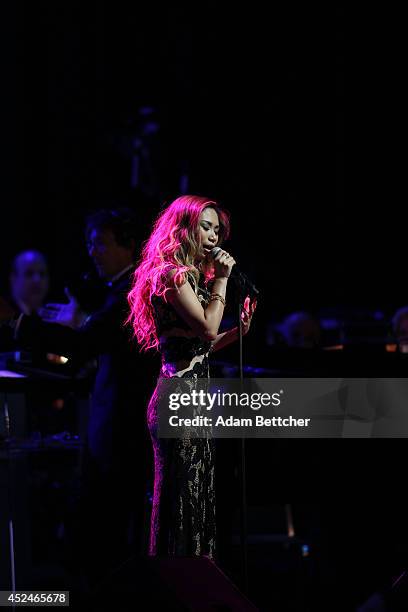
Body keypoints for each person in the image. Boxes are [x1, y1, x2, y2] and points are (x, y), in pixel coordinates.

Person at [11, 208, 155, 588]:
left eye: (101, 243)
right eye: (90, 243)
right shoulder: (120, 293)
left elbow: (84, 345)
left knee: (106, 531)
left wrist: (19, 324)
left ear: (128, 246)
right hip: (113, 428)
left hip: (121, 432)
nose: (92, 251)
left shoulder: (129, 296)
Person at [127, 195, 257, 559]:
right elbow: (205, 326)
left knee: (196, 501)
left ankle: (194, 586)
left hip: (194, 400)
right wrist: (223, 281)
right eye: (205, 226)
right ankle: (174, 588)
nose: (214, 235)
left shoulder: (190, 278)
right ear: (183, 228)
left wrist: (237, 335)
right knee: (179, 501)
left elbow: (200, 345)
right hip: (178, 399)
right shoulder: (171, 275)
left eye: (217, 229)